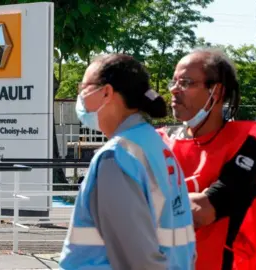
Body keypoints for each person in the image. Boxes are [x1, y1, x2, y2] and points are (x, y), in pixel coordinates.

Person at [59, 54, 196, 270]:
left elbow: (139, 262)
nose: (80, 96)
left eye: (83, 88)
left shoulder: (116, 157)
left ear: (106, 92)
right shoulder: (154, 145)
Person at [157, 48, 256, 270]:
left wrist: (143, 203)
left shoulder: (248, 141)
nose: (174, 89)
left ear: (216, 92)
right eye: (174, 81)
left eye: (186, 82)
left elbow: (203, 211)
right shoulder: (159, 140)